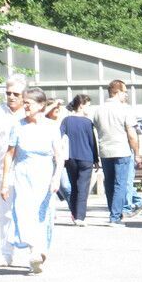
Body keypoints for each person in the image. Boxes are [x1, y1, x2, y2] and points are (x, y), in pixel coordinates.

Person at [0, 87, 66, 274]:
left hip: (44, 174)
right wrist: (5, 182)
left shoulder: (52, 127)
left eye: (29, 103)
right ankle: (35, 250)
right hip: (22, 174)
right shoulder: (18, 125)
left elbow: (59, 156)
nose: (25, 106)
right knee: (23, 211)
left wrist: (56, 178)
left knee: (41, 214)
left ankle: (38, 251)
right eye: (25, 103)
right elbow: (9, 155)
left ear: (41, 105)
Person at [91, 80, 142, 225]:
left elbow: (95, 129)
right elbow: (132, 133)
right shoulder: (125, 109)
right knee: (120, 183)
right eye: (125, 92)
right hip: (121, 150)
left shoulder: (98, 110)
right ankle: (115, 217)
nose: (126, 95)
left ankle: (113, 212)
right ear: (118, 92)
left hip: (105, 151)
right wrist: (137, 153)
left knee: (109, 183)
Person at [0, 75, 28, 263]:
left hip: (27, 169)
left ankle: (29, 250)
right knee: (6, 213)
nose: (11, 97)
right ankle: (6, 253)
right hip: (2, 168)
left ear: (24, 95)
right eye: (8, 93)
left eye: (16, 93)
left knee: (25, 211)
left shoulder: (30, 112)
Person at [60, 94, 99, 226]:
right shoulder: (88, 122)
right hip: (86, 158)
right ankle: (80, 217)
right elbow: (92, 142)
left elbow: (60, 136)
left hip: (70, 158)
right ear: (81, 105)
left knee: (74, 187)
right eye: (88, 105)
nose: (89, 108)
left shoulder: (66, 120)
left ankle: (74, 213)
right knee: (83, 188)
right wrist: (96, 159)